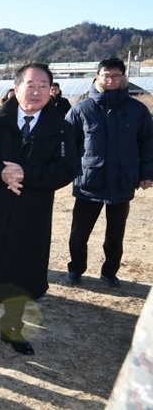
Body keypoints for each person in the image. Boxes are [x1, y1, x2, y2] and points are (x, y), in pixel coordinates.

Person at [0, 63, 75, 355]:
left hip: (30, 212)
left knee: (20, 270)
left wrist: (25, 173)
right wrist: (1, 173)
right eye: (30, 84)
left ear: (52, 91)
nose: (36, 91)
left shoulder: (61, 128)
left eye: (43, 85)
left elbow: (65, 170)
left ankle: (13, 329)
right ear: (16, 88)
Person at [64, 58, 153, 287]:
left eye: (115, 75)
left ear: (123, 77)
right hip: (88, 181)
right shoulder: (82, 109)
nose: (111, 79)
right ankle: (76, 269)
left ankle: (110, 271)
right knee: (79, 232)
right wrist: (70, 171)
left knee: (116, 233)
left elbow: (148, 144)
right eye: (106, 75)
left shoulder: (137, 110)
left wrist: (146, 173)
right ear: (97, 77)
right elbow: (66, 144)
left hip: (122, 180)